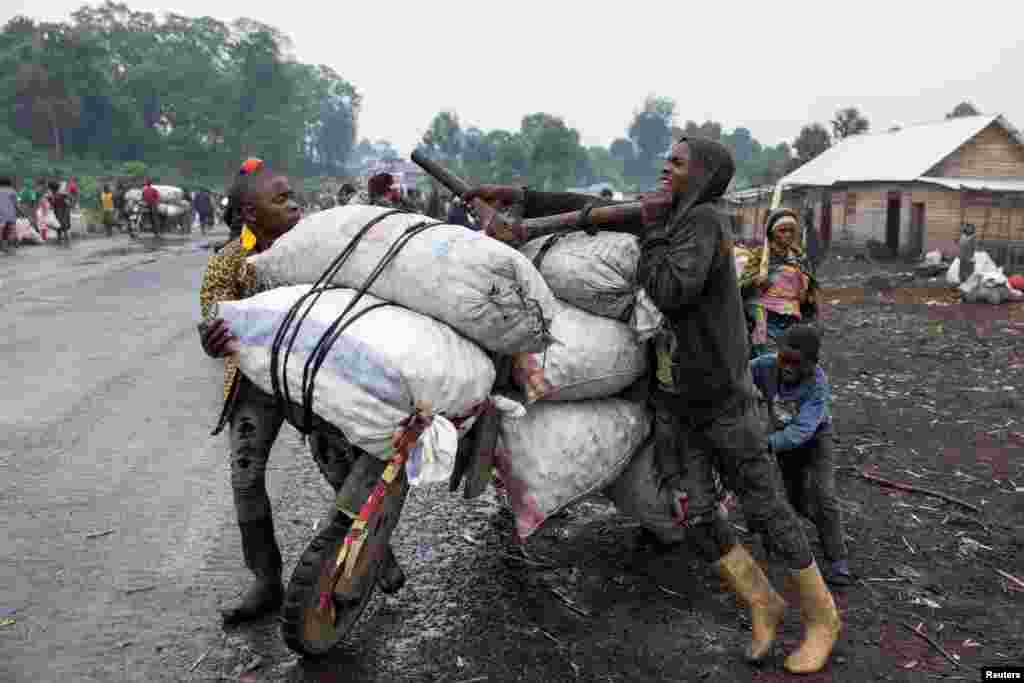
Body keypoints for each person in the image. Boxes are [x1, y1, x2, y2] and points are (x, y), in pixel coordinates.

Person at [463, 137, 840, 674]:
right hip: (676, 402)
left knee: (767, 508)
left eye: (679, 162)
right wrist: (519, 197)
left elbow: (668, 287)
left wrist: (650, 225)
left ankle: (824, 619)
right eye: (668, 158)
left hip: (725, 403)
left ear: (705, 175)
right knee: (697, 510)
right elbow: (583, 209)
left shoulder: (704, 223)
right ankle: (762, 602)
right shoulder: (668, 217)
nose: (667, 165)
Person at [197, 159, 404, 623]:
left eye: (293, 197)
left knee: (339, 469)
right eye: (281, 199)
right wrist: (211, 339)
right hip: (253, 386)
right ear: (250, 213)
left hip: (311, 380)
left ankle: (376, 559)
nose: (294, 206)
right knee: (246, 480)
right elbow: (209, 325)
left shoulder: (316, 249)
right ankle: (266, 581)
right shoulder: (229, 262)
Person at [751, 326, 851, 588]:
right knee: (797, 501)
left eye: (795, 362)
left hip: (817, 441)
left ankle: (838, 559)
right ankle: (824, 526)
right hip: (786, 445)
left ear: (811, 363)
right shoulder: (765, 366)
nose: (787, 367)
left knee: (824, 495)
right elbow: (737, 376)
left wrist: (765, 443)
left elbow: (801, 431)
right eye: (784, 359)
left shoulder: (818, 384)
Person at [739, 209, 819, 358]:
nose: (788, 234)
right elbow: (741, 286)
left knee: (790, 352)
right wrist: (757, 281)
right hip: (763, 313)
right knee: (764, 354)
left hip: (791, 314)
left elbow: (810, 290)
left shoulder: (799, 257)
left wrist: (805, 292)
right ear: (771, 233)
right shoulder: (760, 256)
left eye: (791, 231)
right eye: (782, 230)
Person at [0, 176, 18, 253]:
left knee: (2, 230)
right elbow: (16, 204)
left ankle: (3, 246)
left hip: (1, 214)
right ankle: (7, 247)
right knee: (9, 231)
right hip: (10, 214)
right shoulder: (12, 191)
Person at [51, 180, 72, 244]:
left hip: (63, 210)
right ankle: (61, 238)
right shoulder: (53, 194)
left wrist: (68, 203)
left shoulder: (62, 194)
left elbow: (69, 199)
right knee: (59, 225)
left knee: (63, 224)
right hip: (58, 210)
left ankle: (64, 238)